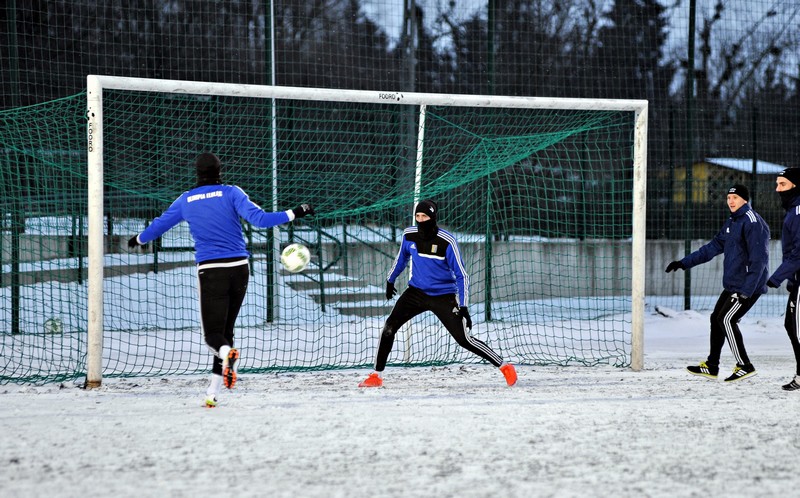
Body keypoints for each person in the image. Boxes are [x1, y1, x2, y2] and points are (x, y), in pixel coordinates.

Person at [127, 152, 315, 407]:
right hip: (240, 269)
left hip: (211, 271)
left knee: (213, 336)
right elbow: (261, 220)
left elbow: (159, 225)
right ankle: (212, 392)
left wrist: (139, 239)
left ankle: (227, 357)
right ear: (219, 170)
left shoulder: (186, 200)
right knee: (226, 332)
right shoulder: (232, 192)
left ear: (197, 172)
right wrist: (296, 212)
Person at [358, 199, 517, 388]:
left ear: (432, 217)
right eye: (417, 216)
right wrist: (390, 279)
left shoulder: (447, 241)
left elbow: (462, 276)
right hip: (415, 293)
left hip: (443, 296)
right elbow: (401, 258)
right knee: (389, 328)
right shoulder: (409, 235)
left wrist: (464, 305)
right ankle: (376, 375)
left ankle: (504, 366)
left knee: (463, 339)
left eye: (424, 216)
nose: (420, 219)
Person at [665, 184, 769, 382]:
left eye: (735, 198)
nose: (731, 201)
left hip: (748, 286)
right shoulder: (732, 221)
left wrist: (746, 291)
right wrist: (683, 263)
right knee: (716, 319)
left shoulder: (753, 222)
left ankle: (744, 365)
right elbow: (712, 247)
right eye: (729, 198)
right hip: (733, 284)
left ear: (745, 200)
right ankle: (712, 366)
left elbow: (760, 260)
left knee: (726, 320)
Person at [766, 167, 800, 391]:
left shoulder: (798, 211)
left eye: (783, 185)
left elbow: (799, 252)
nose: (778, 189)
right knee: (791, 325)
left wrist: (775, 279)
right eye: (777, 184)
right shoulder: (793, 210)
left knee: (796, 328)